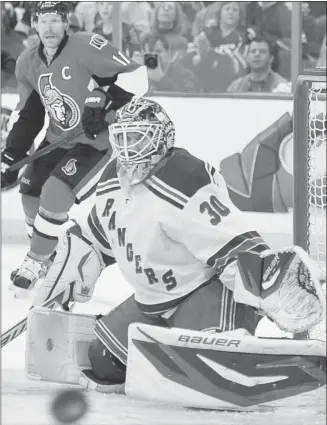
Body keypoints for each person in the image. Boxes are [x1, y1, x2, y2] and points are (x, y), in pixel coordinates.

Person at [31, 97, 325, 394]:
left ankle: (219, 345)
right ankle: (170, 356)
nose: (127, 146)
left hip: (205, 289)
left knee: (212, 367)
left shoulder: (184, 177)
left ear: (161, 138)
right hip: (155, 300)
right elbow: (98, 237)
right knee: (103, 362)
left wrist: (266, 281)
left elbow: (231, 239)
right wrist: (78, 261)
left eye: (136, 137)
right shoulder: (111, 178)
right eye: (122, 137)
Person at [1, 1, 148, 294]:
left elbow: (136, 77)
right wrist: (10, 157)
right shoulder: (28, 62)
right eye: (44, 21)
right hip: (58, 138)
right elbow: (30, 115)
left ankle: (34, 261)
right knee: (30, 190)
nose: (50, 27)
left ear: (67, 23)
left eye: (56, 20)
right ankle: (56, 256)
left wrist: (103, 102)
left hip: (98, 143)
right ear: (34, 24)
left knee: (56, 192)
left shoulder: (86, 45)